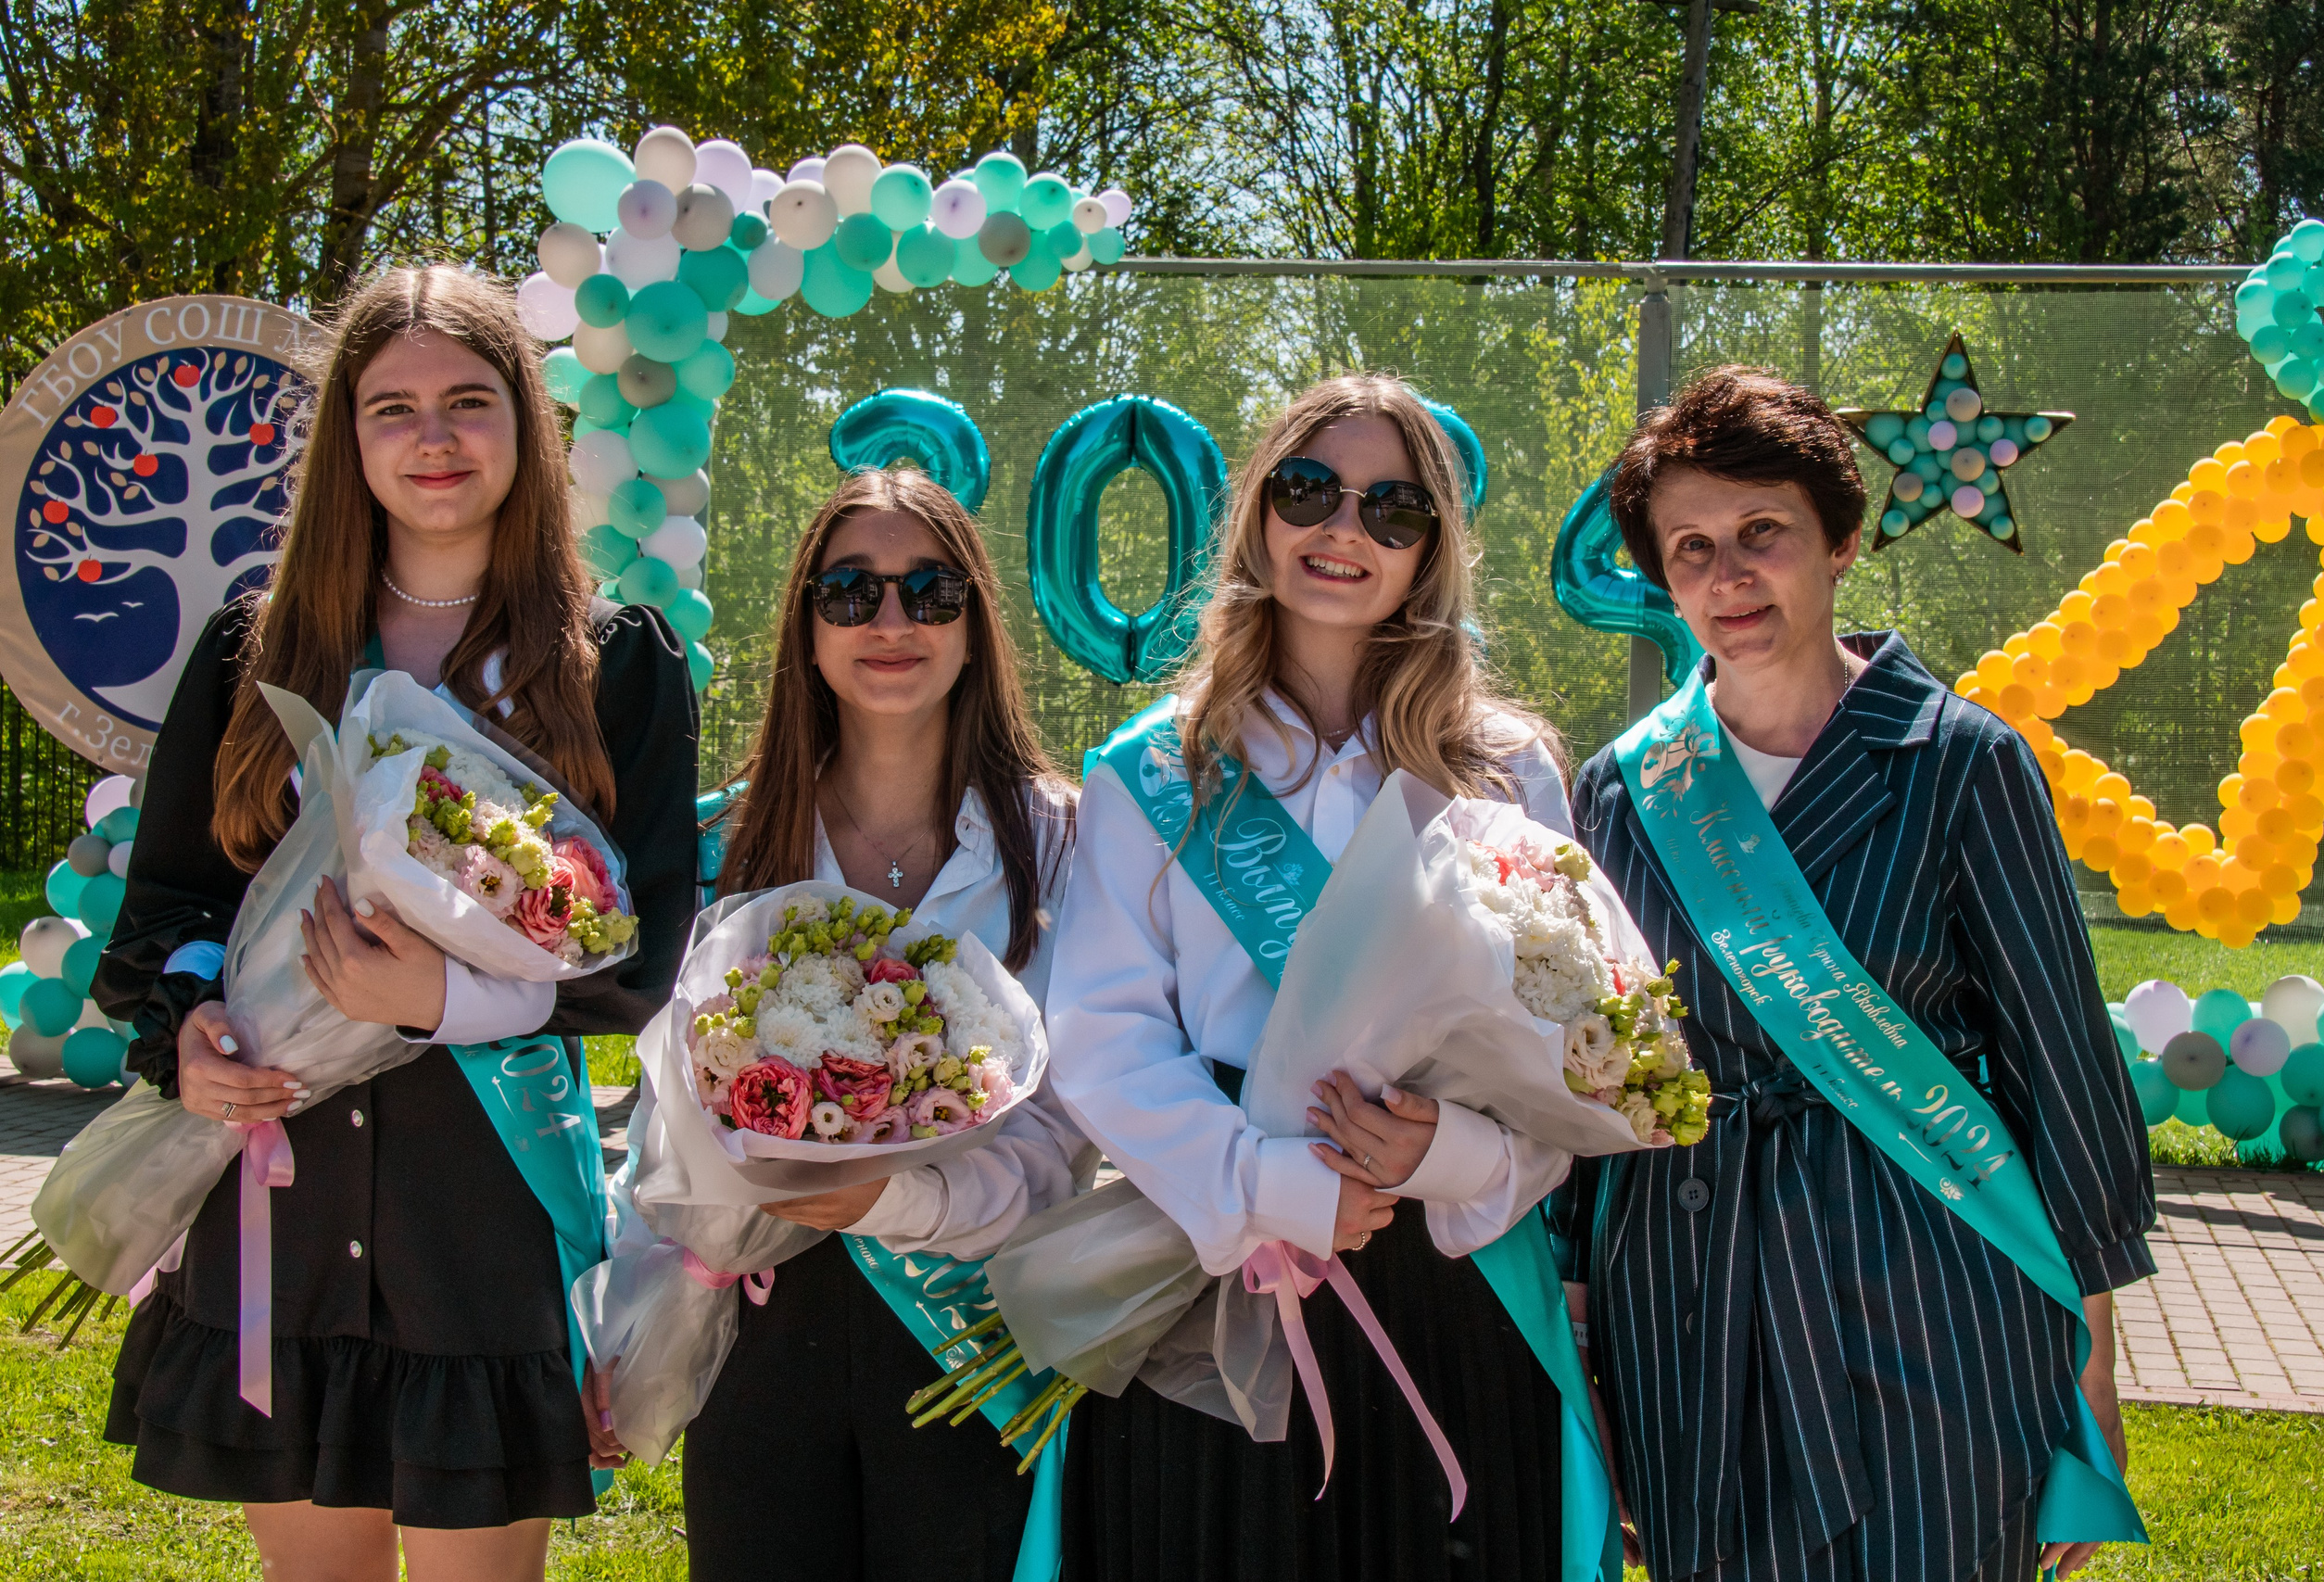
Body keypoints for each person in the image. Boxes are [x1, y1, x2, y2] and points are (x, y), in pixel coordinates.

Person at [95, 264, 700, 1582]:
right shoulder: (256, 653)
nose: (434, 438)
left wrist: (436, 1000)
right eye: (393, 408)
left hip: (479, 1214)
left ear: (525, 424)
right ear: (347, 438)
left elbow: (644, 959)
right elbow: (172, 908)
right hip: (283, 1203)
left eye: (470, 401)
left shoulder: (615, 663)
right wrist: (188, 1028)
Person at [1561, 366, 2154, 1582]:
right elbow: (1598, 1070)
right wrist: (1581, 1331)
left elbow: (2060, 1059)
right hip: (1686, 1288)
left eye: (1761, 532)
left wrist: (2092, 1361)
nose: (1729, 574)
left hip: (1926, 1275)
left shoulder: (1961, 761)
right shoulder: (1621, 787)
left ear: (1839, 541)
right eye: (1690, 547)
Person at [1047, 373, 1577, 1581]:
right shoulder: (1155, 768)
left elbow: (1566, 1045)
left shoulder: (1508, 773)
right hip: (1217, 1262)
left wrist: (1449, 1153)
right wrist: (1268, 1185)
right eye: (1309, 490)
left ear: (1431, 548)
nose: (1345, 529)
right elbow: (1101, 1031)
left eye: (1392, 508)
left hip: (1449, 1268)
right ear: (1257, 513)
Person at [649, 467, 1093, 1582]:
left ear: (975, 626)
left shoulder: (1070, 843)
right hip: (761, 1327)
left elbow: (1072, 1132)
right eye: (850, 592)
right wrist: (635, 1320)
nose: (891, 622)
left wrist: (893, 1200)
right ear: (806, 629)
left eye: (930, 591)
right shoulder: (723, 843)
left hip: (977, 1336)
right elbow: (665, 1122)